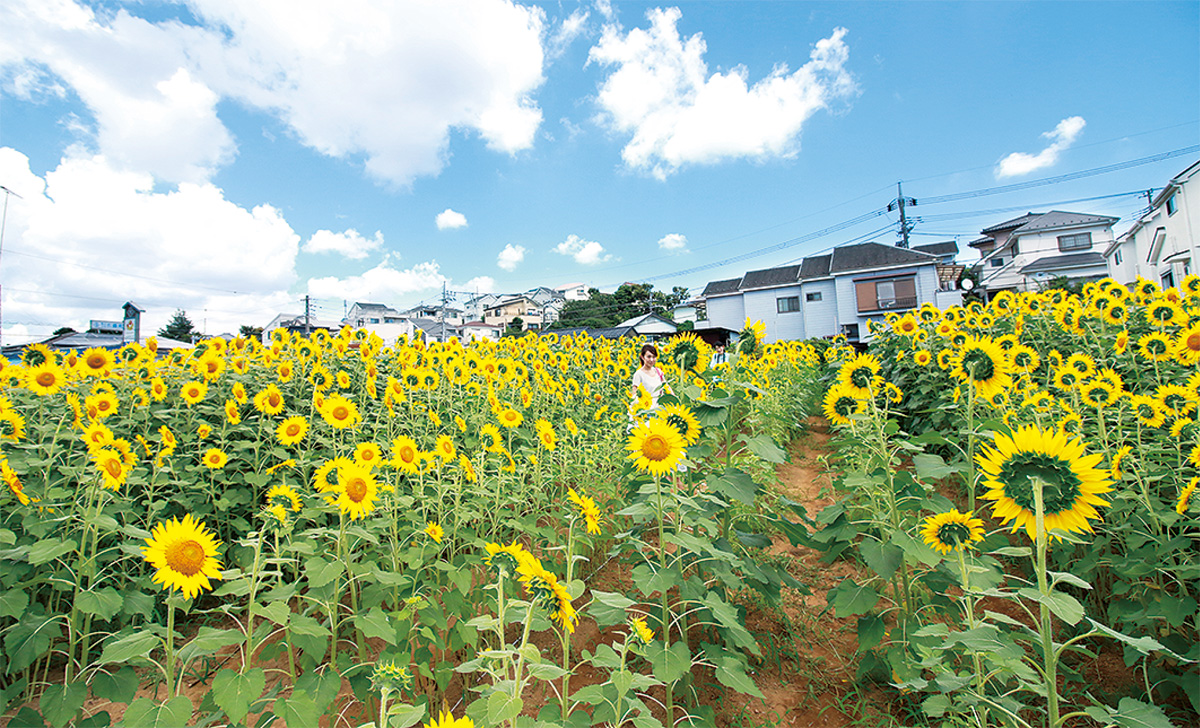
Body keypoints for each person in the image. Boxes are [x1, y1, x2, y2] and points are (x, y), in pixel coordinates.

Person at [630, 343, 666, 415]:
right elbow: (635, 395)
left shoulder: (658, 371)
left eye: (654, 357)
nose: (652, 360)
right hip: (646, 411)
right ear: (642, 357)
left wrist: (676, 400)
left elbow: (666, 386)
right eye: (649, 357)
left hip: (659, 410)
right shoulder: (638, 374)